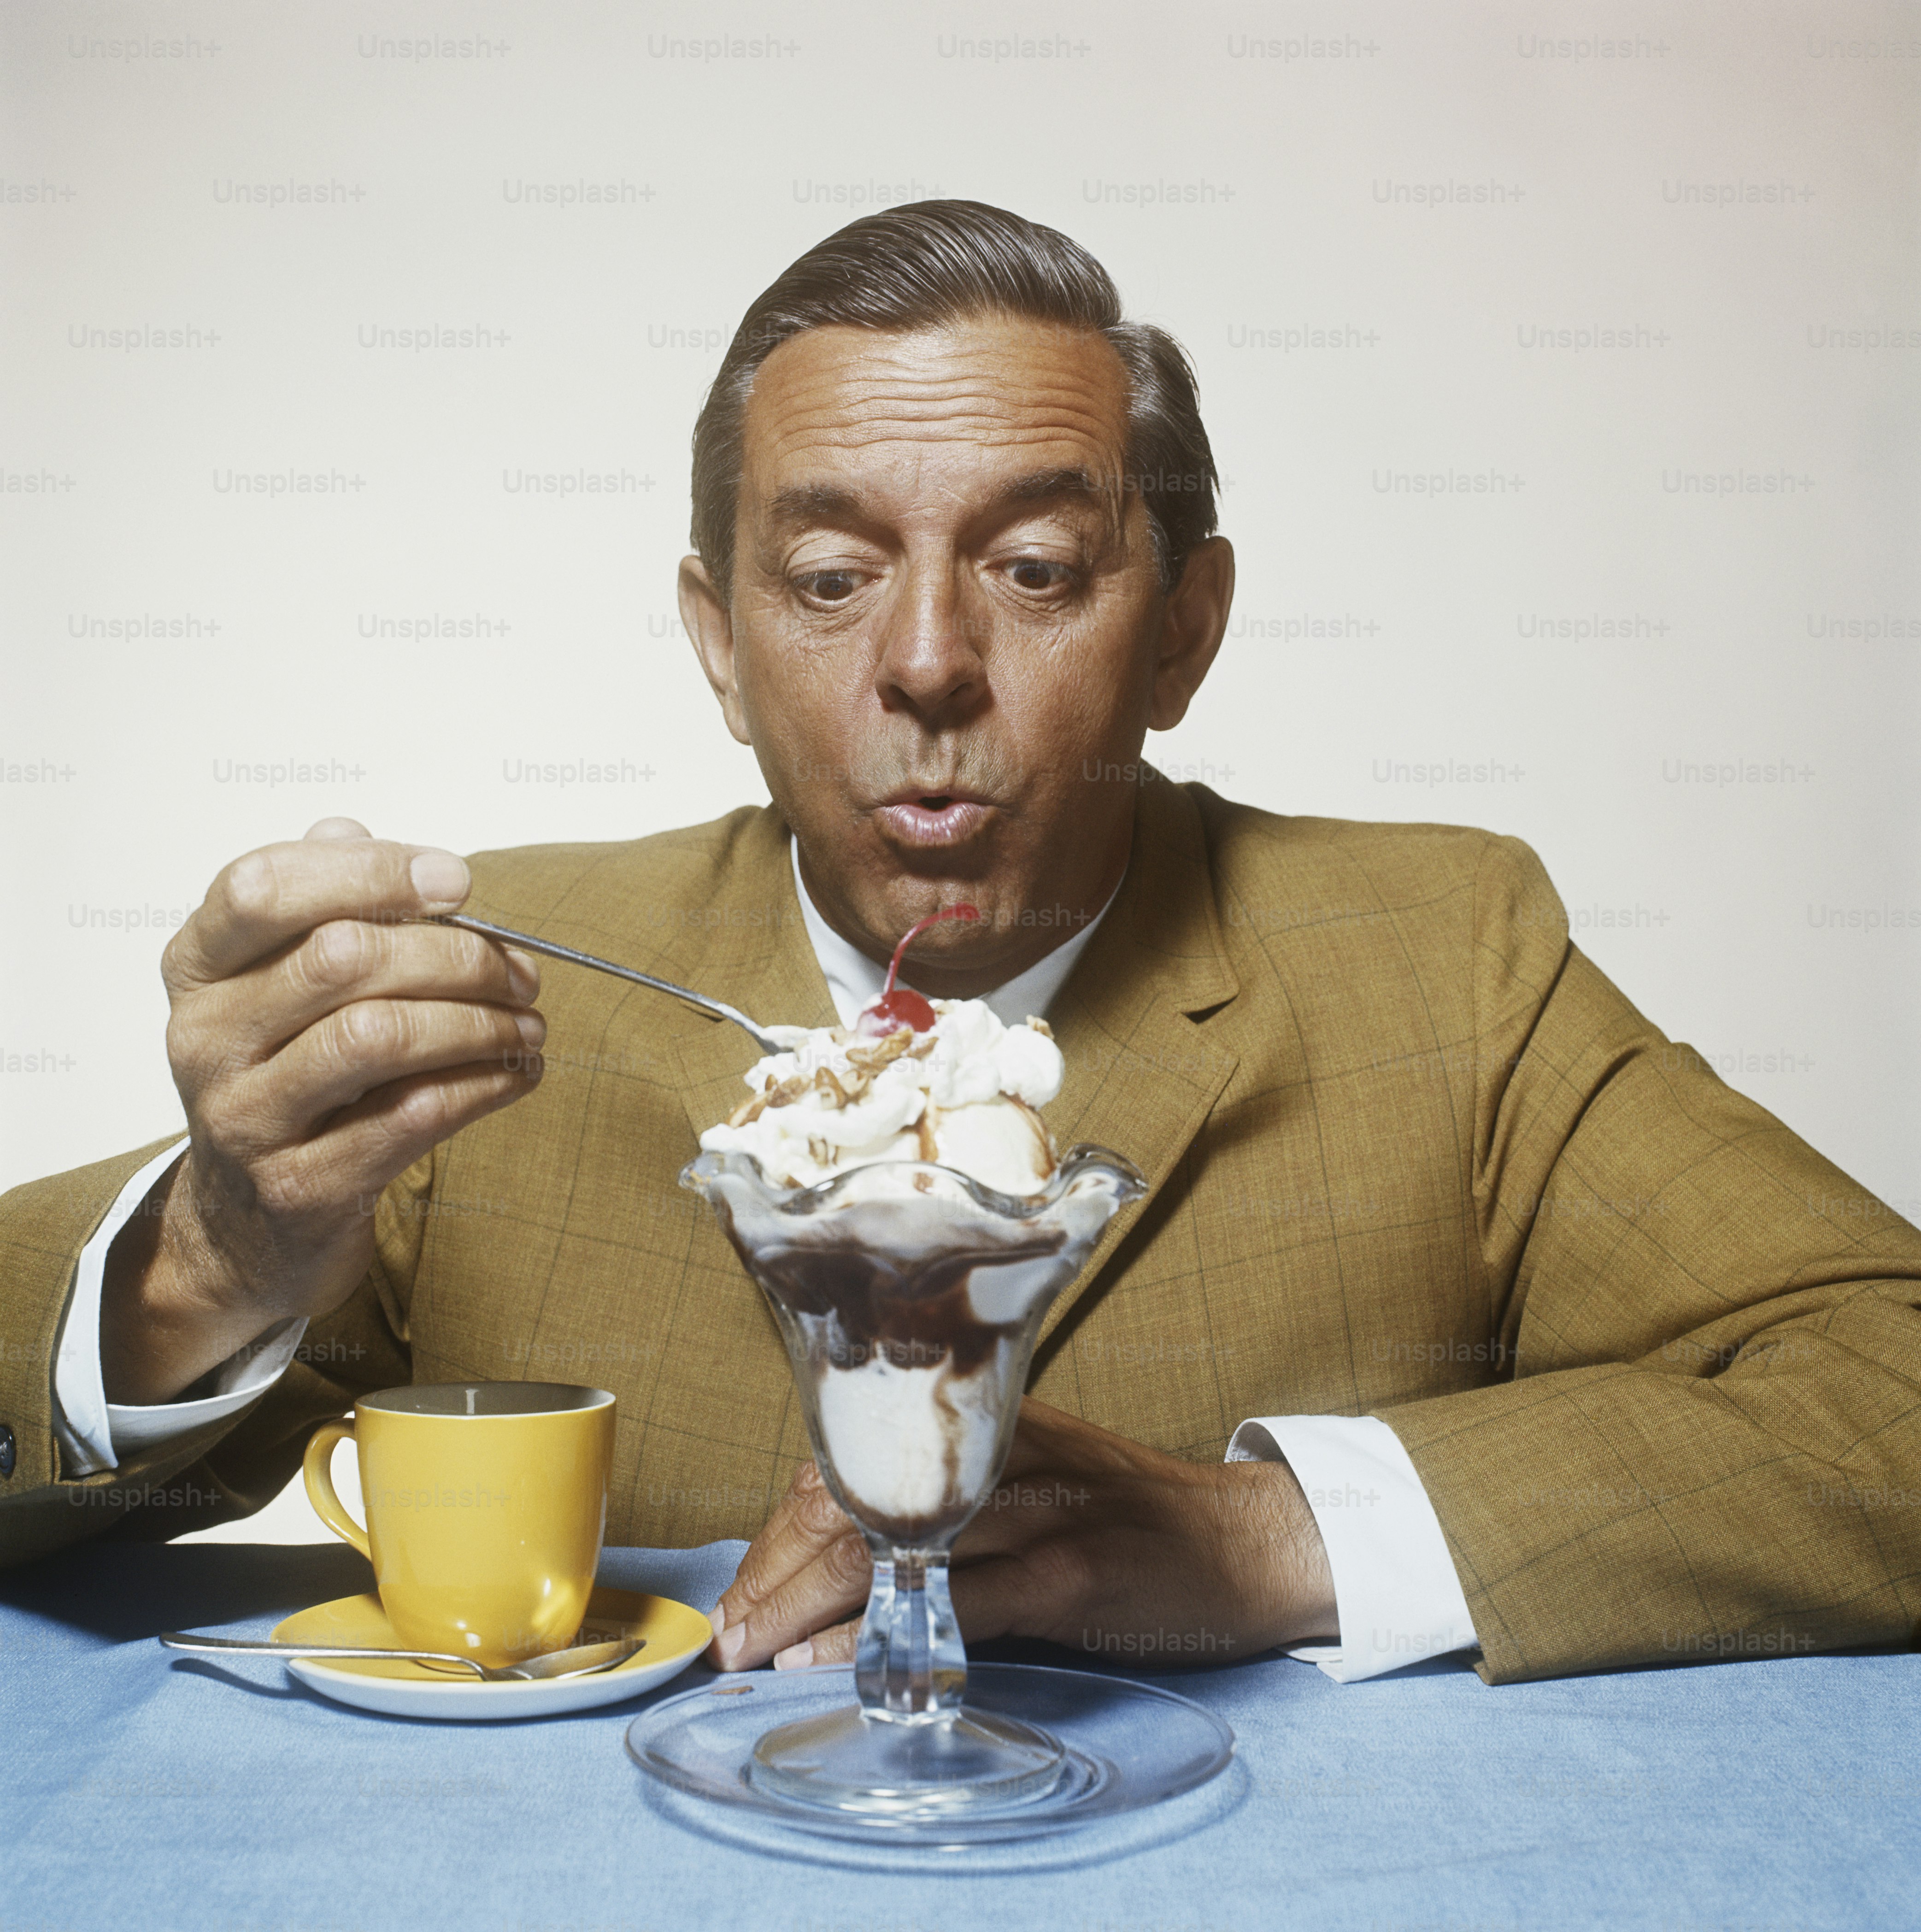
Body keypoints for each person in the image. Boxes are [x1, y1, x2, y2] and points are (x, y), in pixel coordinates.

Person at [3, 202, 1916, 1689]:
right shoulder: (519, 981)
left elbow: (1885, 1393)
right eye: (828, 579)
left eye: (1033, 568)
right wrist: (209, 1256)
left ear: (1179, 630)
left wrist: (1267, 1542)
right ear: (716, 642)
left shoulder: (1448, 962)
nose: (923, 662)